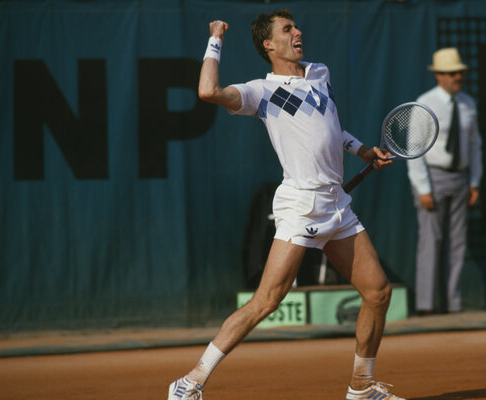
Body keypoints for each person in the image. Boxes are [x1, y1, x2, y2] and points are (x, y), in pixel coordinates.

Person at [168, 9, 406, 400]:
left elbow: (329, 125)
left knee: (378, 292)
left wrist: (361, 150)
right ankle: (190, 381)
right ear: (269, 44)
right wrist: (216, 38)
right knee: (266, 301)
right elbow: (208, 92)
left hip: (336, 205)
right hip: (301, 205)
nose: (299, 32)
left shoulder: (319, 73)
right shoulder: (261, 92)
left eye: (296, 26)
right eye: (288, 29)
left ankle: (361, 387)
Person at [407, 48, 483, 316]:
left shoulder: (468, 103)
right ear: (438, 76)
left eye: (460, 72)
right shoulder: (425, 103)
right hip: (433, 178)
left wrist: (474, 181)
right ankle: (426, 306)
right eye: (452, 73)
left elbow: (474, 145)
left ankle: (454, 304)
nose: (457, 77)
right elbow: (414, 148)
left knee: (457, 243)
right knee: (431, 242)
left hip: (460, 179)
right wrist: (423, 188)